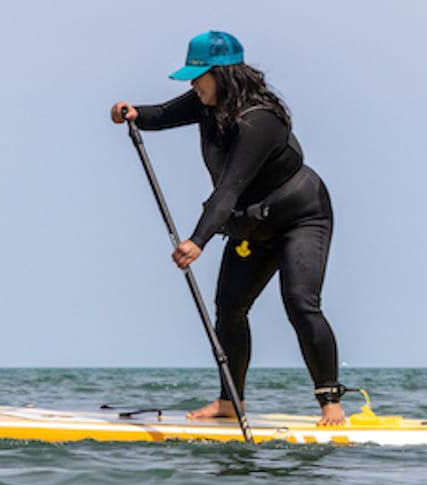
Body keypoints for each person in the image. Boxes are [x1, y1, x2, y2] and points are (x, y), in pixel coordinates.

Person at [111, 30, 348, 426]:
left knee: (300, 303)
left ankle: (331, 404)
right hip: (249, 226)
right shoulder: (209, 102)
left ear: (222, 74)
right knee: (230, 309)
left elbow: (230, 187)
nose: (192, 82)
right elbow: (165, 114)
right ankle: (228, 400)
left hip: (300, 219)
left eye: (198, 73)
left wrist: (198, 240)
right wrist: (132, 111)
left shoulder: (260, 121)